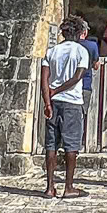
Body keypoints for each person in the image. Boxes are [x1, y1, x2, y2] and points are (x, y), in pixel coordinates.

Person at [40, 17, 90, 199]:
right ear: (78, 33)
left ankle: (49, 186)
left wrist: (47, 101)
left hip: (53, 103)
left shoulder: (51, 51)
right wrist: (57, 90)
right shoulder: (81, 51)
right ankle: (68, 186)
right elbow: (77, 77)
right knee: (71, 146)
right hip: (72, 102)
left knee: (51, 145)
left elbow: (44, 79)